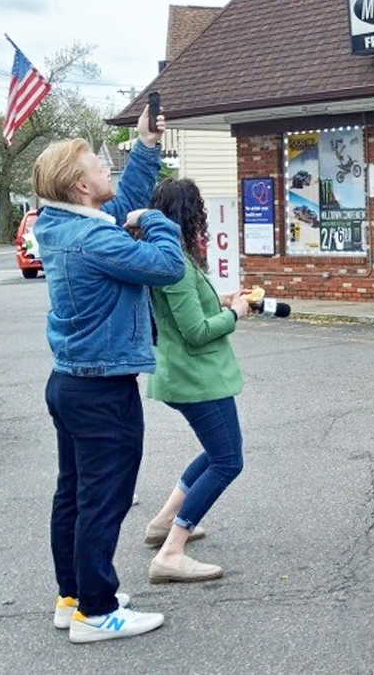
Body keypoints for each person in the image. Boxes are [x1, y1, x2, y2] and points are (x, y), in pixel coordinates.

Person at [33, 107, 185, 643]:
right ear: (80, 186)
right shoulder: (93, 241)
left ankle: (73, 597)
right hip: (100, 389)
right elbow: (167, 266)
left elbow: (117, 206)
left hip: (71, 382)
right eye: (100, 166)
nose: (107, 169)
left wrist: (145, 146)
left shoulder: (61, 225)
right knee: (104, 499)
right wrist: (157, 220)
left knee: (75, 494)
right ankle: (96, 613)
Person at [143, 179, 252, 583]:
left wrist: (221, 300)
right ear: (190, 214)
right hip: (196, 377)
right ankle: (172, 552)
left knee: (217, 451)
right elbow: (195, 331)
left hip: (188, 376)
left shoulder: (167, 257)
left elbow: (185, 311)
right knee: (227, 461)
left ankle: (163, 523)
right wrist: (236, 314)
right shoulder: (176, 265)